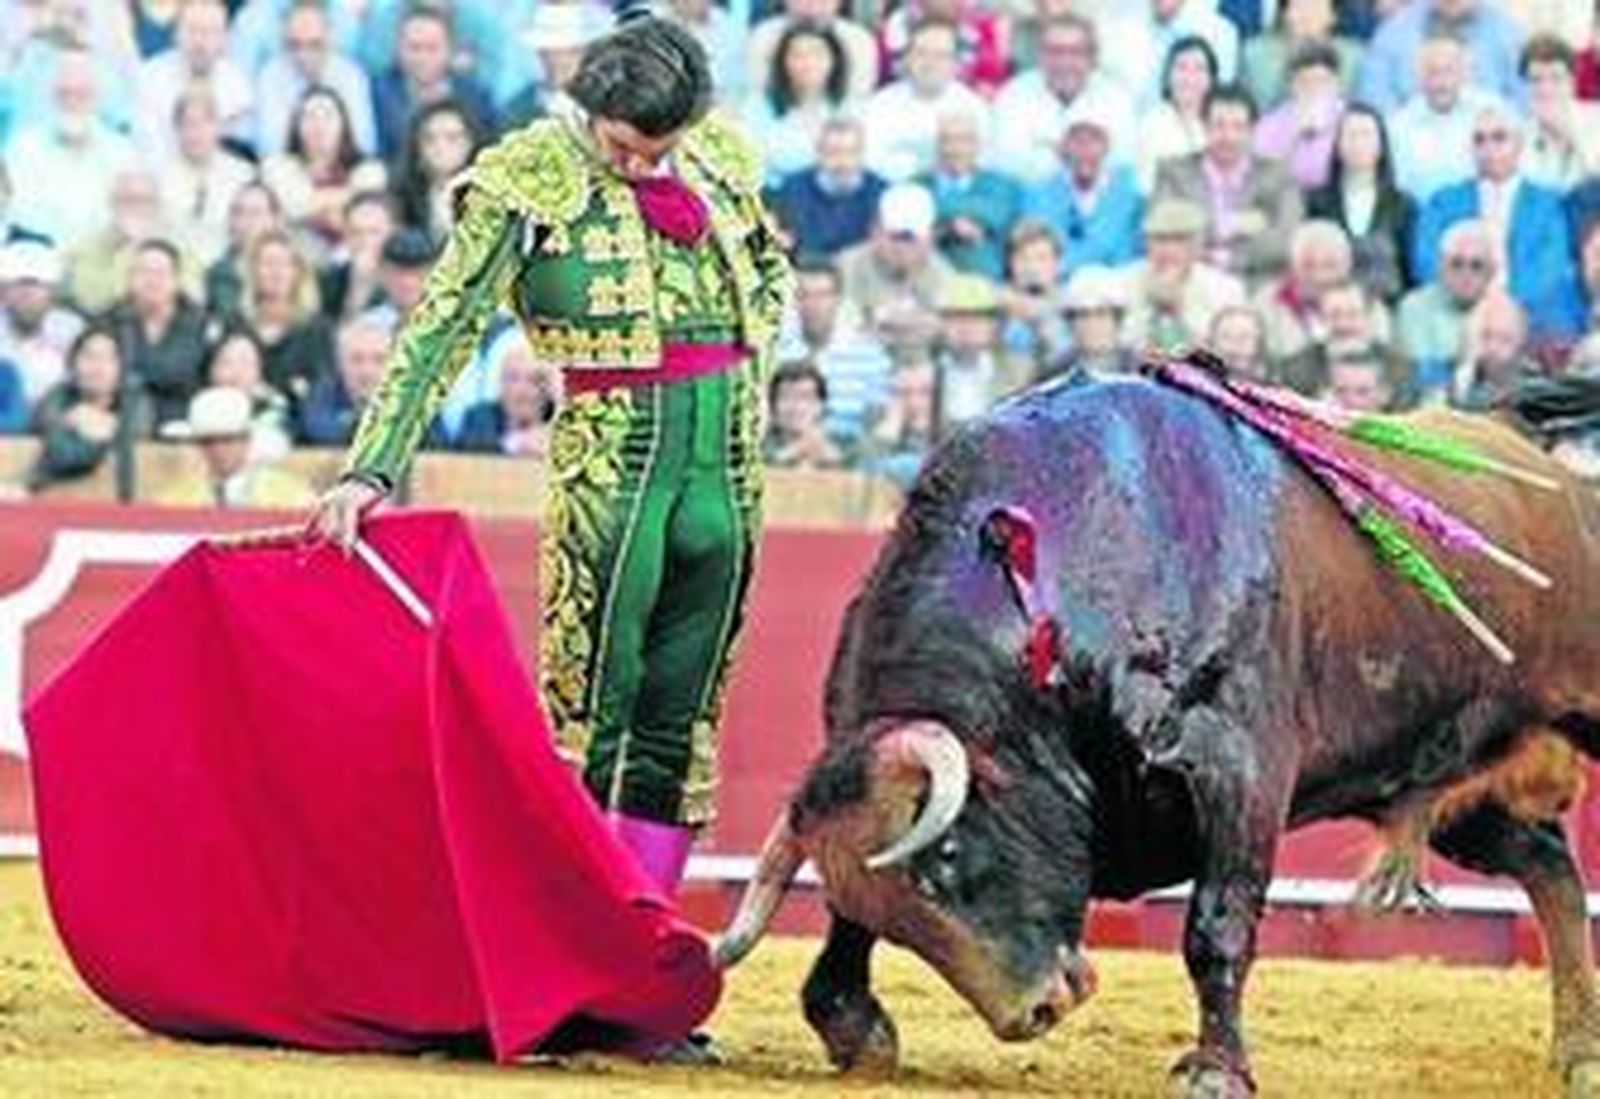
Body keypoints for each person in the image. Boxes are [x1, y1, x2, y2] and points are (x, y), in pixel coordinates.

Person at [307, 16, 791, 914]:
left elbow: (769, 272)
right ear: (589, 106)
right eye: (626, 146)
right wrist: (370, 468)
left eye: (664, 148)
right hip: (615, 466)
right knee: (590, 717)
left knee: (683, 726)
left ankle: (641, 953)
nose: (647, 165)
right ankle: (563, 947)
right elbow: (442, 326)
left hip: (727, 467)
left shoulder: (717, 157)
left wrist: (749, 375)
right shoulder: (525, 177)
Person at [156, 386, 315, 509]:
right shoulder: (176, 499)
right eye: (208, 441)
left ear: (248, 440)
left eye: (228, 440)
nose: (218, 450)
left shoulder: (290, 494)